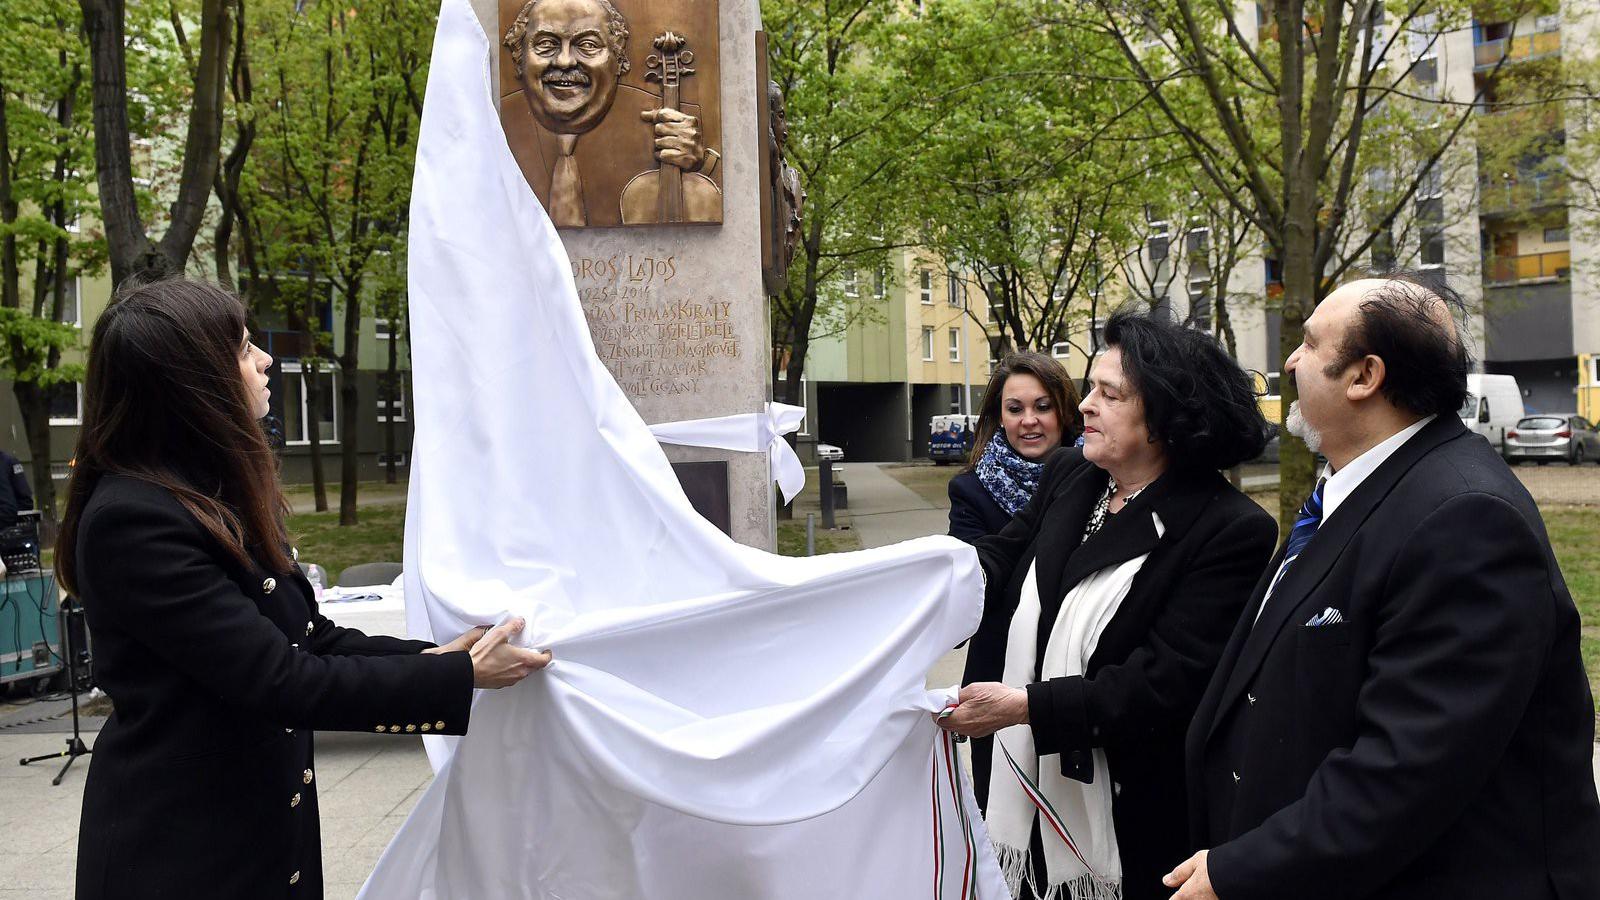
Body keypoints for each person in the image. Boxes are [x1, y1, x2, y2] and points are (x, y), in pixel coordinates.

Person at [59, 278, 552, 900]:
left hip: (253, 838)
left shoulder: (207, 496)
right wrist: (462, 676)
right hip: (181, 854)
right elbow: (280, 680)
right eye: (242, 349)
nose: (264, 359)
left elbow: (311, 638)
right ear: (190, 383)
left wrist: (445, 652)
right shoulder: (135, 522)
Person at [1169, 272, 1600, 900]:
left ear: (1364, 377)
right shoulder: (1356, 486)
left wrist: (1242, 868)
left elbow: (1410, 769)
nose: (1289, 361)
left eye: (1310, 345)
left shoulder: (1466, 519)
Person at [936, 312, 1277, 900]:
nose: (1085, 405)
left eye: (1108, 393)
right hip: (1024, 788)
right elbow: (994, 560)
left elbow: (1162, 684)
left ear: (1165, 419)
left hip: (1129, 821)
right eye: (1090, 387)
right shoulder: (1074, 475)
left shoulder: (1229, 530)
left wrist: (1024, 707)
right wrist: (899, 590)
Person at [500, 0, 716, 226]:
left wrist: (695, 169)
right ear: (519, 55)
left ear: (619, 58)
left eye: (588, 45)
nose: (564, 61)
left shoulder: (674, 120)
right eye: (546, 44)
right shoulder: (490, 121)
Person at [947, 352, 1082, 543]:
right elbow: (969, 569)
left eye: (1043, 407)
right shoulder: (969, 491)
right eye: (1015, 409)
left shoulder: (1103, 474)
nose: (1028, 421)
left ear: (1066, 411)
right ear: (1000, 416)